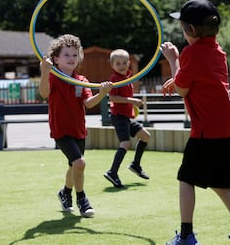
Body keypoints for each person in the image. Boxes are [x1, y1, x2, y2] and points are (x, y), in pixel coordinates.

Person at [161, 0, 230, 245]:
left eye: (183, 26)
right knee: (221, 184)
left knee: (186, 179)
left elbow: (183, 89)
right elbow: (200, 79)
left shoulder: (190, 54)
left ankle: (185, 236)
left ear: (191, 30)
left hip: (207, 133)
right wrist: (180, 75)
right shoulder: (217, 51)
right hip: (229, 132)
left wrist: (173, 59)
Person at [39, 34, 112, 217]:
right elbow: (44, 93)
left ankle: (65, 192)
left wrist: (102, 93)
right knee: (79, 162)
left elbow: (89, 103)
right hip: (61, 130)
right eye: (66, 55)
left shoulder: (81, 79)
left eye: (74, 55)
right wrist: (44, 72)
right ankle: (82, 199)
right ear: (56, 59)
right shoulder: (53, 76)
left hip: (78, 129)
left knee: (74, 166)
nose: (71, 58)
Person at [103, 49, 150, 188]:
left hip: (127, 117)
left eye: (124, 62)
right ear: (112, 65)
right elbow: (112, 97)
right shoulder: (115, 80)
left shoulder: (128, 77)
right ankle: (112, 172)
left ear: (129, 63)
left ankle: (135, 165)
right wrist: (132, 101)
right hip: (119, 117)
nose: (122, 65)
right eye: (118, 63)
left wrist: (132, 105)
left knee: (145, 136)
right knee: (125, 144)